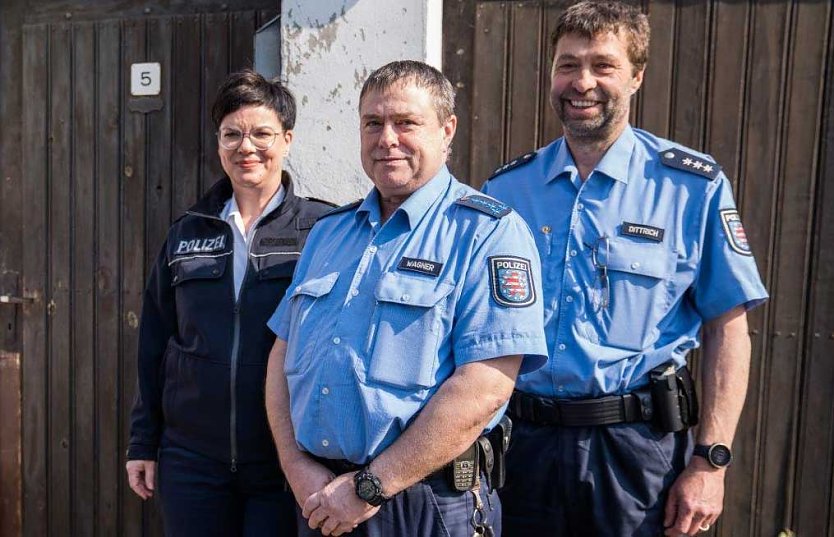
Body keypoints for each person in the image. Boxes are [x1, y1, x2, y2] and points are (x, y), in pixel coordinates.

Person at [481, 2, 769, 536]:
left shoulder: (691, 187)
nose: (581, 82)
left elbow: (727, 330)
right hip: (524, 449)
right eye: (567, 65)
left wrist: (710, 462)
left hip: (639, 455)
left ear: (636, 76)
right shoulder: (505, 191)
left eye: (602, 65)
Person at [263, 60, 548, 537]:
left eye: (406, 122)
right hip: (319, 498)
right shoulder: (329, 234)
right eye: (372, 123)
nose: (386, 138)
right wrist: (295, 464)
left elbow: (485, 385)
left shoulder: (488, 233)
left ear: (446, 130)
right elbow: (282, 355)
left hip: (428, 505)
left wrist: (370, 487)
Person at [125, 69, 335, 536]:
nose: (246, 147)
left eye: (261, 133)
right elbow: (155, 342)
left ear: (287, 139)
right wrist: (143, 441)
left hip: (285, 462)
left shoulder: (323, 229)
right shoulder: (188, 231)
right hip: (192, 458)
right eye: (232, 134)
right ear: (219, 143)